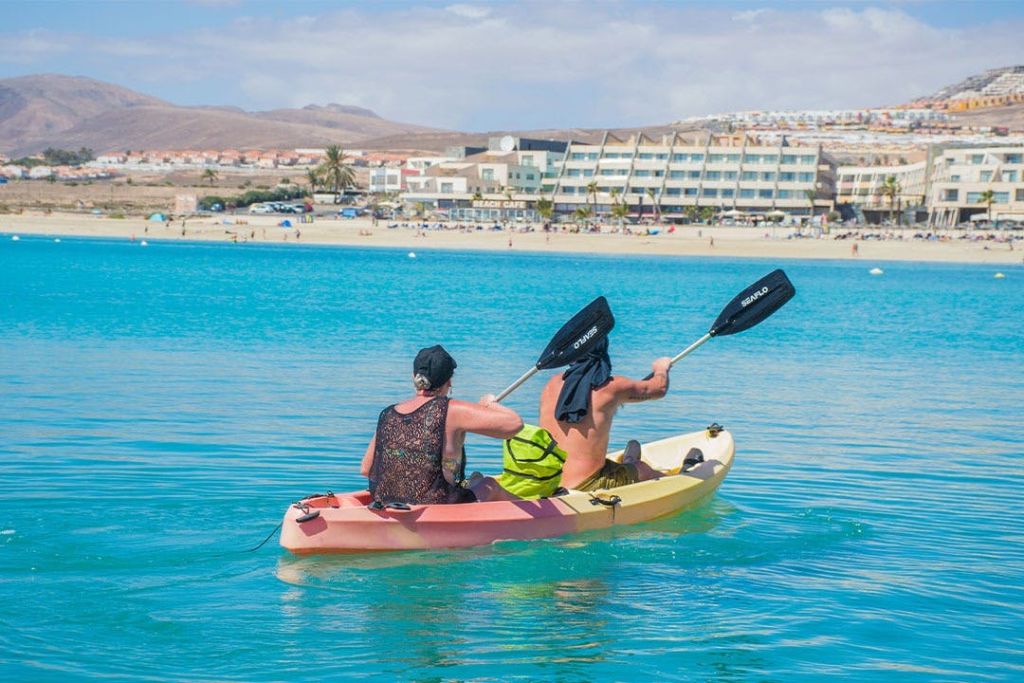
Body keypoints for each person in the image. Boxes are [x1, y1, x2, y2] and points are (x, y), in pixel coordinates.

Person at [360, 345, 523, 505]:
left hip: (387, 503)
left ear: (414, 376)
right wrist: (490, 403)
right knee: (489, 485)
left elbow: (366, 469)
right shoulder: (452, 409)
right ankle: (539, 514)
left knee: (475, 478)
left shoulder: (388, 413)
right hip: (438, 506)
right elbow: (514, 424)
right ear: (449, 381)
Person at [538, 337, 672, 491]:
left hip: (547, 480)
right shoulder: (611, 387)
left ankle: (629, 462)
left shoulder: (551, 384)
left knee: (617, 458)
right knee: (643, 469)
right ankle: (677, 481)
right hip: (586, 485)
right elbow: (659, 389)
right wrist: (661, 367)